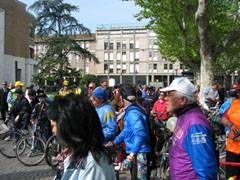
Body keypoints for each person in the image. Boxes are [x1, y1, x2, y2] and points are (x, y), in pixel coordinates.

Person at [47, 93, 116, 180]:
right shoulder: (76, 156)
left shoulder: (91, 165)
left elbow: (112, 128)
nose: (53, 131)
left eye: (53, 126)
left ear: (69, 127)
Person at [160, 77, 218, 179]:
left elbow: (205, 168)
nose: (165, 98)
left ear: (183, 100)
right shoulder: (184, 116)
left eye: (169, 95)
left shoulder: (195, 124)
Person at [113, 83, 151, 180]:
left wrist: (130, 156)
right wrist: (115, 142)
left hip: (140, 154)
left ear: (122, 99)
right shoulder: (131, 111)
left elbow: (140, 134)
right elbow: (127, 130)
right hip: (136, 153)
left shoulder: (133, 113)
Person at [221, 84, 240, 179]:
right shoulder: (233, 104)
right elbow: (224, 118)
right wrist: (231, 125)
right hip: (232, 148)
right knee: (231, 177)